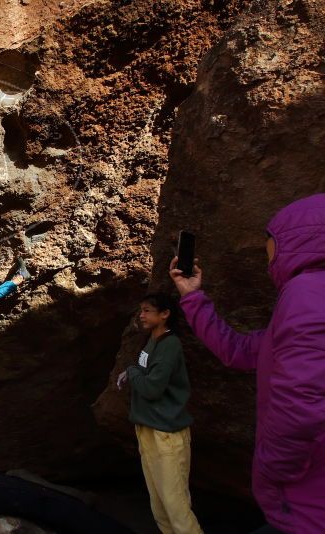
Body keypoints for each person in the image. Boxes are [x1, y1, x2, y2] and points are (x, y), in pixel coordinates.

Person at [170, 194, 325, 534]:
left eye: (271, 242)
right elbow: (239, 350)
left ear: (300, 240)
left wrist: (273, 467)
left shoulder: (307, 294)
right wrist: (192, 295)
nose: (268, 253)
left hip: (308, 500)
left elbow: (302, 404)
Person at [117, 293, 202, 534]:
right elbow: (146, 375)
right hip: (147, 428)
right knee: (160, 506)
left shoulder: (170, 344)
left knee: (177, 508)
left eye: (147, 310)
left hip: (167, 434)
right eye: (141, 310)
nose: (141, 315)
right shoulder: (151, 340)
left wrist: (132, 371)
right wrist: (133, 372)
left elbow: (152, 388)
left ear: (165, 314)